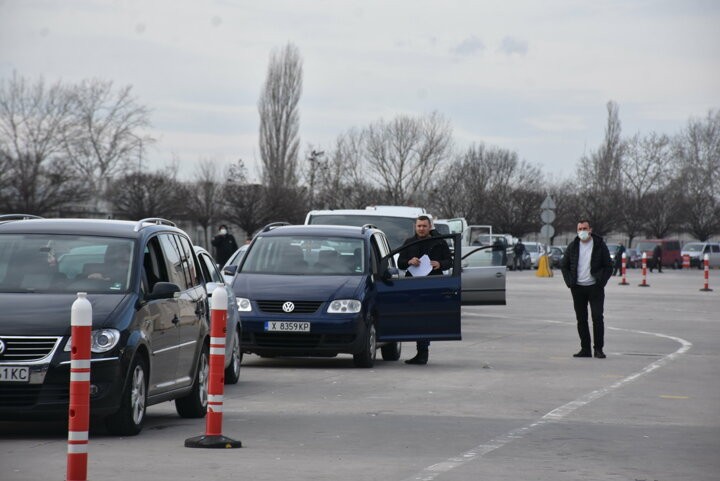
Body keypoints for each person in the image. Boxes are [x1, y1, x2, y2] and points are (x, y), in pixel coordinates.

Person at [397, 215, 453, 365]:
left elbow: (450, 261)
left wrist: (439, 264)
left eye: (424, 226)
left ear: (430, 227)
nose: (421, 229)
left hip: (432, 284)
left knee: (426, 318)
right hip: (413, 285)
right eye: (419, 226)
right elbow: (400, 263)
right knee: (413, 318)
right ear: (415, 227)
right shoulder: (409, 242)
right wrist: (409, 261)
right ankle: (419, 352)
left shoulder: (439, 242)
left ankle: (423, 353)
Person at [560, 219, 613, 359]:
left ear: (590, 229)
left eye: (585, 228)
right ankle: (585, 348)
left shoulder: (599, 245)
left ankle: (599, 349)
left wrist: (601, 282)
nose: (582, 231)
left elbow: (609, 266)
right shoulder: (572, 246)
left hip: (595, 287)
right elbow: (564, 265)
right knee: (581, 319)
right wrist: (570, 282)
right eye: (579, 229)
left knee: (597, 318)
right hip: (578, 288)